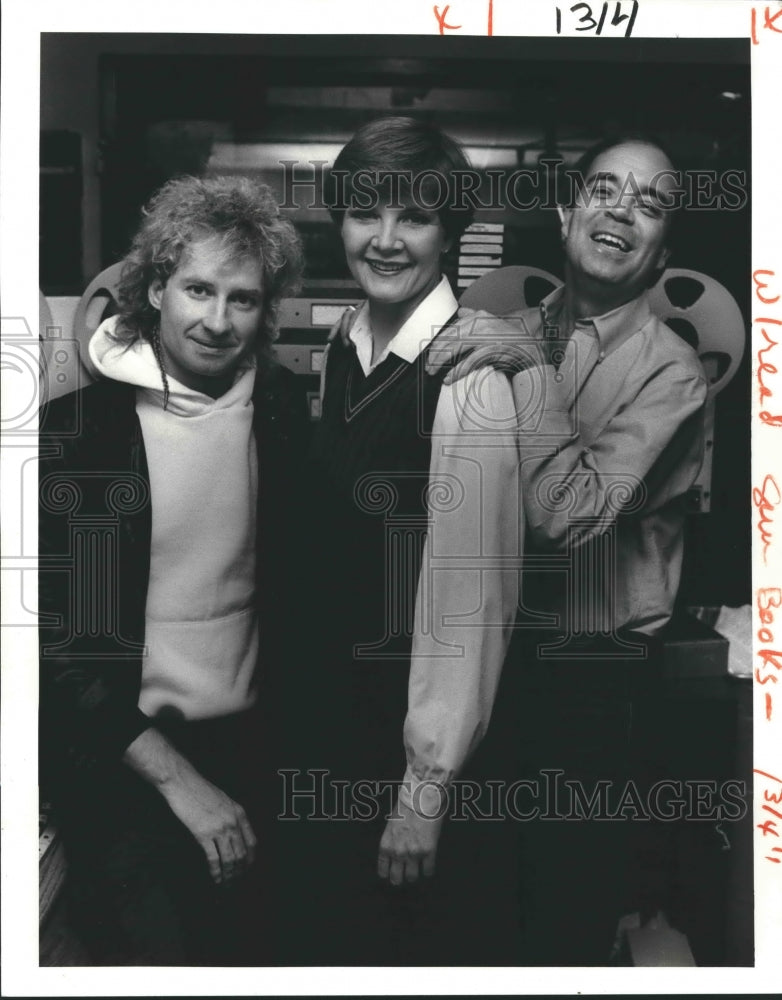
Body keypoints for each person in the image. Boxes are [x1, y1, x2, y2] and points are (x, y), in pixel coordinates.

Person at [429, 135, 709, 964]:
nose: (623, 211)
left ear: (664, 249)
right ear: (565, 212)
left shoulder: (675, 373)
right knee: (472, 913)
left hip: (594, 684)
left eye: (651, 205)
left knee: (563, 918)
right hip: (490, 663)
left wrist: (523, 368)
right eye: (606, 191)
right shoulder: (507, 332)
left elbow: (568, 513)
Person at [38, 175, 308, 965]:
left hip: (256, 750)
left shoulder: (281, 410)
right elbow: (64, 650)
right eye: (197, 289)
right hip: (130, 762)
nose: (218, 321)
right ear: (156, 287)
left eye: (244, 299)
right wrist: (180, 786)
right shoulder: (84, 436)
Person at [283, 116, 522, 965]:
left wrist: (423, 793)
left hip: (406, 761)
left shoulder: (470, 379)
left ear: (452, 231)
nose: (384, 241)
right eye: (363, 213)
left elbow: (472, 601)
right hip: (329, 730)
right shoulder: (341, 346)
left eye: (414, 217)